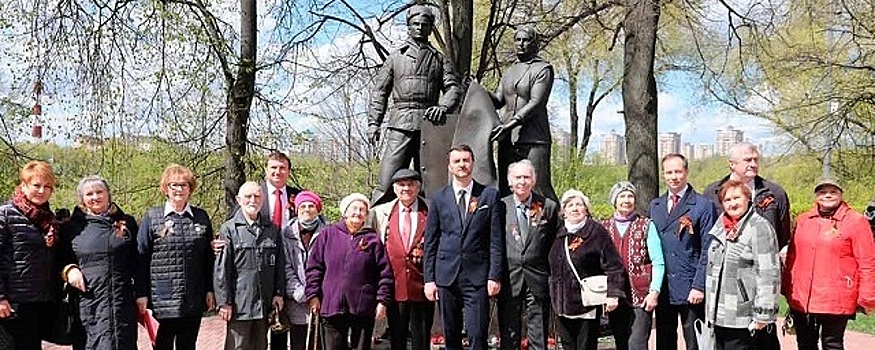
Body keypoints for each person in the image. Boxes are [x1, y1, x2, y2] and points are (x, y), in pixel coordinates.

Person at [367, 4, 462, 203]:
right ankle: (373, 226)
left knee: (432, 183)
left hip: (430, 125)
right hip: (400, 124)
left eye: (424, 24)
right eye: (415, 24)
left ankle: (434, 227)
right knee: (386, 179)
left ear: (430, 28)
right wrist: (373, 123)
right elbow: (380, 92)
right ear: (409, 26)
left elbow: (453, 88)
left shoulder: (439, 59)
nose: (419, 27)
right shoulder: (395, 58)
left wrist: (443, 107)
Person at [423, 144, 505, 350]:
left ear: (473, 163)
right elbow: (431, 242)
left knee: (477, 334)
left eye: (466, 160)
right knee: (450, 335)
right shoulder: (439, 198)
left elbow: (495, 240)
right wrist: (429, 280)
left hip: (477, 277)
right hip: (446, 276)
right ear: (449, 166)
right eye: (457, 161)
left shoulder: (488, 196)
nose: (462, 165)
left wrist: (494, 276)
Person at [783, 179, 875, 350]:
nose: (827, 195)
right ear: (816, 195)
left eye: (833, 192)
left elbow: (868, 261)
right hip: (803, 296)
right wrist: (787, 287)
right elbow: (792, 257)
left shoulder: (856, 222)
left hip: (837, 297)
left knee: (832, 344)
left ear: (841, 194)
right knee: (804, 343)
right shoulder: (804, 220)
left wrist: (867, 298)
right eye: (822, 192)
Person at [137, 164, 215, 350]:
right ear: (166, 188)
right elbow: (141, 258)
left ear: (190, 188)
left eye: (184, 185)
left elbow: (208, 259)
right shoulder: (152, 217)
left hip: (193, 297)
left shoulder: (201, 217)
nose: (179, 189)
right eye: (174, 185)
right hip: (162, 299)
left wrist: (210, 290)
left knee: (188, 345)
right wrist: (141, 294)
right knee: (162, 345)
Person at [58, 176, 141, 350]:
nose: (95, 197)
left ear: (108, 194)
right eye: (89, 194)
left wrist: (141, 293)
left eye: (99, 192)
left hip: (121, 303)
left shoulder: (127, 223)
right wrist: (69, 270)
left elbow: (138, 261)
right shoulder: (71, 228)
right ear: (82, 199)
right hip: (88, 303)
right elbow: (58, 260)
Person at [305, 193, 394, 350]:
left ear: (366, 215)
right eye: (354, 208)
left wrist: (382, 301)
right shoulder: (328, 234)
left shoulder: (372, 240)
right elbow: (314, 268)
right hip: (331, 304)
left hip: (363, 306)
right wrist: (313, 295)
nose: (358, 212)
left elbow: (384, 274)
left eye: (362, 210)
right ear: (345, 212)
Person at [649, 153, 717, 350]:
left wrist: (699, 286)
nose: (673, 177)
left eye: (678, 171)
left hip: (690, 284)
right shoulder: (655, 206)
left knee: (695, 341)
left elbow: (708, 249)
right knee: (665, 339)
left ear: (686, 172)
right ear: (663, 175)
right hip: (664, 286)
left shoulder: (703, 205)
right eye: (669, 172)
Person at [703, 180, 780, 350]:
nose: (732, 203)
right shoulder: (719, 226)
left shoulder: (759, 227)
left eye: (736, 198)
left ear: (748, 198)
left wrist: (763, 314)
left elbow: (769, 273)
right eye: (727, 200)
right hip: (718, 314)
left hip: (743, 316)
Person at [548, 189, 625, 350]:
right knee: (568, 346)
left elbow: (613, 265)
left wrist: (613, 294)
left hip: (587, 304)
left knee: (586, 346)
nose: (574, 208)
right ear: (564, 210)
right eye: (570, 205)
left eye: (579, 204)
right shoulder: (557, 234)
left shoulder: (596, 232)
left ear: (586, 209)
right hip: (562, 304)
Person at [0, 160, 64, 349]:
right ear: (24, 185)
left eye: (47, 187)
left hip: (40, 303)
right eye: (36, 185)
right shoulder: (6, 215)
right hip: (13, 304)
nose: (42, 191)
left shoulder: (49, 220)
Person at [367, 169, 433, 350]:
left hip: (422, 285)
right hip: (393, 285)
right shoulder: (380, 212)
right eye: (401, 185)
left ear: (418, 188)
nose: (406, 189)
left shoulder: (431, 209)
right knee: (397, 337)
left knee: (421, 338)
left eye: (411, 184)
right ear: (395, 189)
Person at [489, 26, 557, 202]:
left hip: (534, 137)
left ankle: (551, 226)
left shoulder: (543, 69)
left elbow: (536, 102)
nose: (521, 44)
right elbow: (498, 100)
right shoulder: (510, 71)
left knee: (538, 186)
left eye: (526, 40)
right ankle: (507, 226)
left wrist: (510, 123)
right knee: (507, 186)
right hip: (508, 137)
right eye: (518, 40)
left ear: (534, 43)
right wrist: (476, 90)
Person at [215, 181, 285, 350]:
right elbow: (222, 269)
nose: (253, 200)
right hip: (240, 304)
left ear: (262, 200)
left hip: (264, 302)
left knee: (261, 345)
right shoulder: (229, 229)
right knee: (237, 346)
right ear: (239, 200)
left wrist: (278, 292)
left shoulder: (272, 230)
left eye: (257, 196)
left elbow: (279, 265)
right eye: (248, 196)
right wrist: (224, 302)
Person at [496, 160, 559, 350]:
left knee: (538, 332)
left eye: (526, 177)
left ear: (533, 180)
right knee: (509, 331)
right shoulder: (500, 206)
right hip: (509, 277)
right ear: (509, 181)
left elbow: (553, 244)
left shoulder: (547, 206)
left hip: (538, 277)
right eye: (518, 177)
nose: (522, 181)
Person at [601, 181, 665, 350]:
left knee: (637, 343)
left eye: (630, 196)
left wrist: (654, 292)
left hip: (641, 295)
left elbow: (658, 262)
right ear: (614, 201)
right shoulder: (604, 227)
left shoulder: (646, 225)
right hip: (615, 295)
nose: (627, 200)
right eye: (622, 196)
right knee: (621, 342)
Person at [704, 142, 791, 250]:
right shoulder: (712, 193)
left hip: (762, 260)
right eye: (748, 160)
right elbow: (705, 234)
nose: (753, 164)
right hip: (723, 260)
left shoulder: (775, 193)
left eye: (756, 160)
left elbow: (783, 236)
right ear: (732, 164)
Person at [277, 190, 328, 350]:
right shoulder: (286, 234)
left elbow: (331, 267)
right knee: (299, 344)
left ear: (318, 209)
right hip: (296, 300)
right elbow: (285, 267)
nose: (307, 209)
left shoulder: (329, 233)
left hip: (322, 300)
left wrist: (316, 293)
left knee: (319, 343)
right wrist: (302, 293)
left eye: (311, 206)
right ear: (296, 209)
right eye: (303, 206)